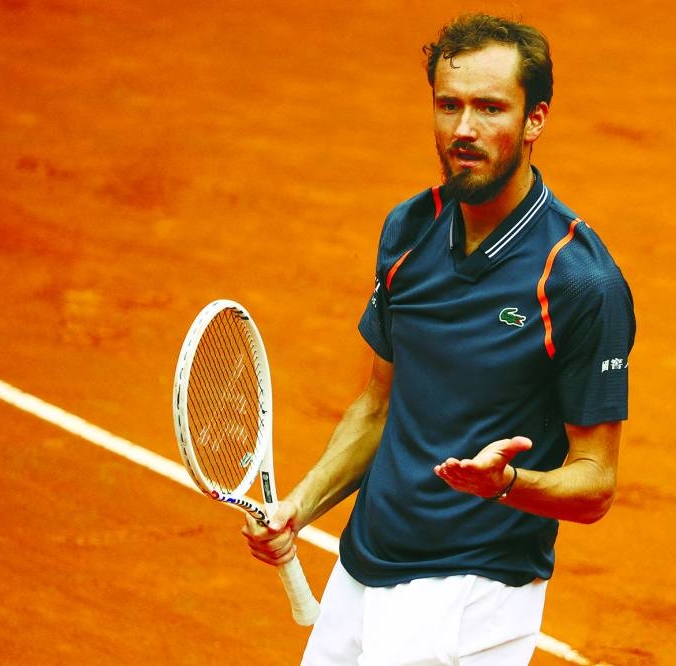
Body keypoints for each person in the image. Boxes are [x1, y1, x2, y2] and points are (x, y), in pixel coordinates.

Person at [243, 12, 635, 665]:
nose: (464, 130)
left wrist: (506, 484)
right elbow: (378, 405)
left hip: (472, 592)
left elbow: (595, 483)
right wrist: (300, 505)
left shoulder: (578, 282)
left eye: (489, 108)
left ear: (536, 119)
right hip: (367, 562)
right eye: (448, 106)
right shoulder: (408, 230)